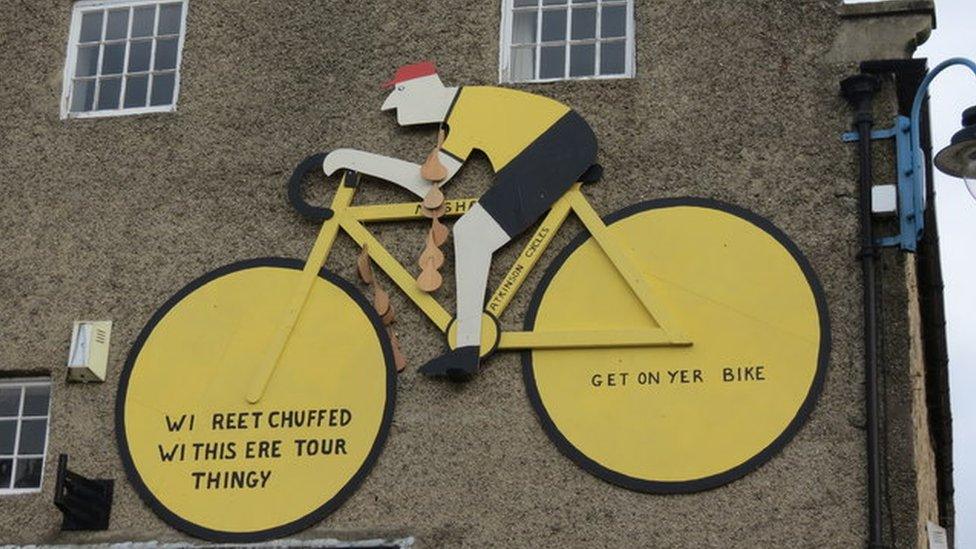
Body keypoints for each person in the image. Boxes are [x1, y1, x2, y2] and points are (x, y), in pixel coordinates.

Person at [323, 61, 599, 381]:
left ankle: (467, 348)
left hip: (554, 149)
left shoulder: (467, 109)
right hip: (564, 142)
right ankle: (469, 339)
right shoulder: (465, 107)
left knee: (470, 234)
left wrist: (354, 160)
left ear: (424, 90)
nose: (396, 111)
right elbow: (431, 180)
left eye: (400, 98)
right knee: (474, 229)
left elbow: (426, 183)